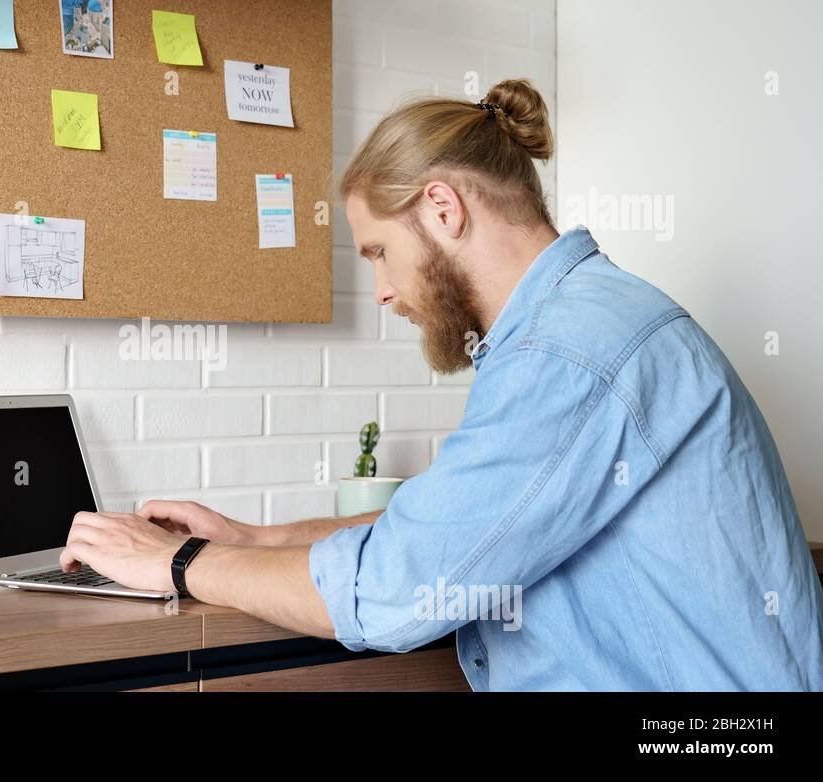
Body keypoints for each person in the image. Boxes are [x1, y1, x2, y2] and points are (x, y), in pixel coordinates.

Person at [60, 79, 823, 691]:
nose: (383, 291)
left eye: (378, 253)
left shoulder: (568, 352)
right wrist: (252, 540)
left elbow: (396, 590)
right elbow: (440, 537)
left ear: (443, 207)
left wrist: (179, 565)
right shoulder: (577, 324)